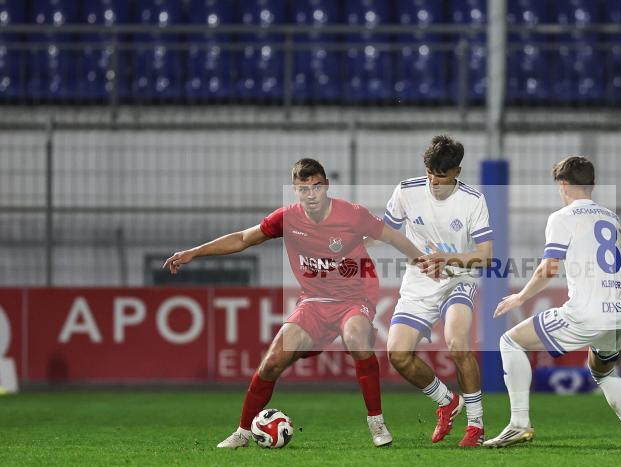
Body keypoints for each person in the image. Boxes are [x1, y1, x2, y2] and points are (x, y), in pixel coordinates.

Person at [163, 158, 425, 448]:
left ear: (326, 186)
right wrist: (194, 252)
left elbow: (391, 236)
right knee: (272, 363)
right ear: (295, 192)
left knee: (355, 339)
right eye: (303, 189)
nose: (310, 195)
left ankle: (376, 422)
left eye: (315, 187)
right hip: (313, 302)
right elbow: (242, 239)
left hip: (354, 298)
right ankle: (243, 433)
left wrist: (422, 259)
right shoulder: (287, 218)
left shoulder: (352, 215)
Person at [484, 156, 621, 451]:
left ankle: (519, 424)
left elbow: (549, 268)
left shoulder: (562, 218)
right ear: (592, 184)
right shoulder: (613, 219)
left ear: (563, 185)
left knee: (510, 341)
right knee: (604, 372)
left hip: (584, 313)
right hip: (617, 314)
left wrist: (520, 297)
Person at [383, 135, 493, 447]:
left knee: (458, 344)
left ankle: (476, 424)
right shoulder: (406, 190)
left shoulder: (473, 200)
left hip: (459, 280)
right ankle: (446, 401)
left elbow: (485, 256)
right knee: (398, 355)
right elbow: (383, 232)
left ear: (457, 171)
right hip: (419, 284)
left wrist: (447, 260)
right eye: (430, 172)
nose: (433, 180)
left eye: (441, 175)